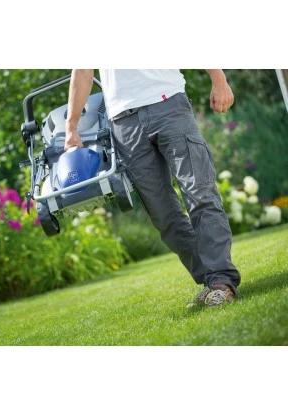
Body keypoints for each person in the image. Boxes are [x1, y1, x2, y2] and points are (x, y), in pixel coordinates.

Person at [64, 69, 241, 307]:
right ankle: (211, 281)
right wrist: (71, 126)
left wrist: (219, 80)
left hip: (168, 104)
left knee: (200, 194)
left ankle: (221, 281)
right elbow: (83, 69)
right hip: (123, 122)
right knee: (164, 216)